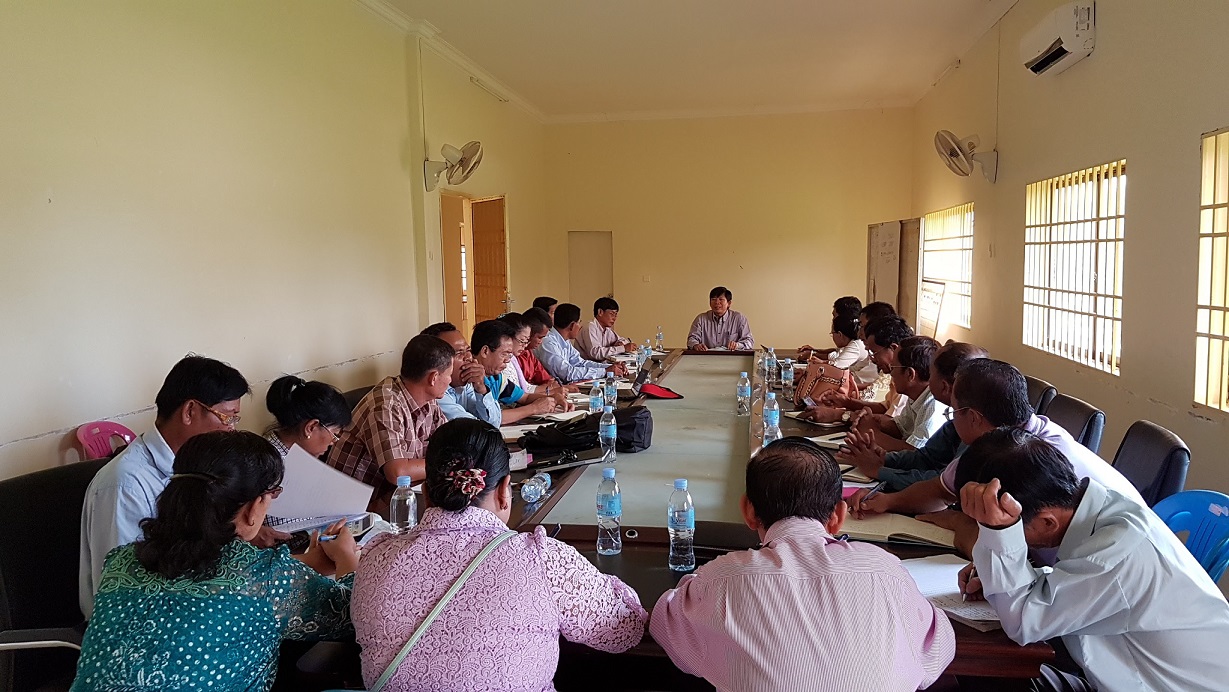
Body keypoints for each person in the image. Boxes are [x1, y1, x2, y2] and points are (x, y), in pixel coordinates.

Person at [352, 419, 647, 689]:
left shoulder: (376, 559)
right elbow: (625, 630)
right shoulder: (542, 559)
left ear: (426, 493)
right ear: (505, 490)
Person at [649, 438, 954, 691]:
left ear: (748, 511)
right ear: (838, 516)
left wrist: (698, 581)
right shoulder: (885, 571)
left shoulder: (723, 580)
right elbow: (937, 650)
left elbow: (667, 626)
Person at [70, 431, 358, 692]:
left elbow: (203, 584)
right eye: (273, 494)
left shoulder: (120, 560)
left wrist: (304, 566)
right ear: (253, 507)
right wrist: (347, 559)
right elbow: (359, 617)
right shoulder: (266, 576)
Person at [956, 429, 1229, 692]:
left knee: (986, 668)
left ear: (1048, 521)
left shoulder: (1116, 553)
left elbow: (1023, 622)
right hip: (1122, 673)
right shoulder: (1101, 510)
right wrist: (996, 574)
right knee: (990, 672)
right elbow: (1078, 585)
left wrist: (999, 537)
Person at [848, 359, 1145, 558]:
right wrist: (889, 501)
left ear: (973, 417)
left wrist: (960, 523)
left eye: (953, 411)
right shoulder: (1000, 444)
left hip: (1091, 561)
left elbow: (1013, 550)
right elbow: (940, 489)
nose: (951, 420)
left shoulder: (1031, 457)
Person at [80, 354, 253, 619]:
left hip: (182, 600)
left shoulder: (196, 466)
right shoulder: (125, 485)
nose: (231, 429)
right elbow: (122, 587)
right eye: (227, 417)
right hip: (138, 624)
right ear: (190, 411)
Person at [326, 335, 452, 516]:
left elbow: (450, 443)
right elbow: (398, 473)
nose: (450, 381)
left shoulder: (427, 401)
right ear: (434, 378)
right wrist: (446, 465)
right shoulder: (385, 404)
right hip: (354, 510)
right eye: (449, 375)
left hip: (393, 499)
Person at [838, 342, 986, 491]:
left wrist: (878, 470)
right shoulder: (955, 420)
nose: (927, 379)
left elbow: (940, 483)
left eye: (931, 373)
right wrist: (882, 459)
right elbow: (926, 457)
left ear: (944, 386)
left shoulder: (974, 425)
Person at [847, 336, 949, 452]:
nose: (891, 374)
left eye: (893, 367)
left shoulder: (933, 405)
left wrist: (871, 431)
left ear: (910, 374)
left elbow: (915, 453)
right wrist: (871, 419)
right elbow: (900, 428)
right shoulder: (916, 395)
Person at [804, 315, 913, 420]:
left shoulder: (907, 378)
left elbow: (892, 422)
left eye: (874, 352)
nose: (873, 359)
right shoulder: (895, 375)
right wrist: (846, 402)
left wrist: (840, 415)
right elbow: (884, 407)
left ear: (893, 348)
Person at [470, 319, 566, 423]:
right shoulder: (470, 379)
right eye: (504, 354)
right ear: (485, 351)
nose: (507, 360)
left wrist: (553, 398)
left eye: (509, 355)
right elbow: (492, 418)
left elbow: (525, 397)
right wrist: (534, 408)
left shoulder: (496, 377)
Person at [422, 322, 502, 426]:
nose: (468, 357)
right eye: (459, 353)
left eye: (468, 350)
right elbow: (472, 428)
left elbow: (494, 423)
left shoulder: (465, 385)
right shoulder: (435, 392)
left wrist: (481, 389)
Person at [264, 375, 352, 458]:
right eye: (334, 435)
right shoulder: (272, 464)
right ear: (311, 427)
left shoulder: (292, 456)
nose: (332, 443)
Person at [536, 303, 628, 383]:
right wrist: (605, 371)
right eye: (579, 322)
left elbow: (580, 363)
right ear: (572, 325)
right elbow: (567, 373)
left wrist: (611, 367)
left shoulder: (565, 341)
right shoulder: (548, 342)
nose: (579, 326)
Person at [517, 307, 575, 393]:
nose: (541, 342)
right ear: (529, 333)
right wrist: (550, 388)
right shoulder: (514, 356)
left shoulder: (529, 353)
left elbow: (546, 379)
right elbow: (523, 390)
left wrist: (558, 386)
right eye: (539, 337)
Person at [687, 286, 754, 351]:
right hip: (707, 357)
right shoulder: (701, 319)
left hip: (731, 357)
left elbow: (749, 341)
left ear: (729, 303)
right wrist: (696, 345)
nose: (717, 302)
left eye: (721, 299)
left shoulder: (739, 318)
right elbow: (691, 339)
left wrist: (737, 345)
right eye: (713, 299)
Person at [798, 295, 863, 358]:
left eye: (834, 316)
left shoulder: (857, 343)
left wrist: (812, 354)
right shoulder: (851, 338)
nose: (833, 320)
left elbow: (835, 358)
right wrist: (815, 350)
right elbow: (837, 351)